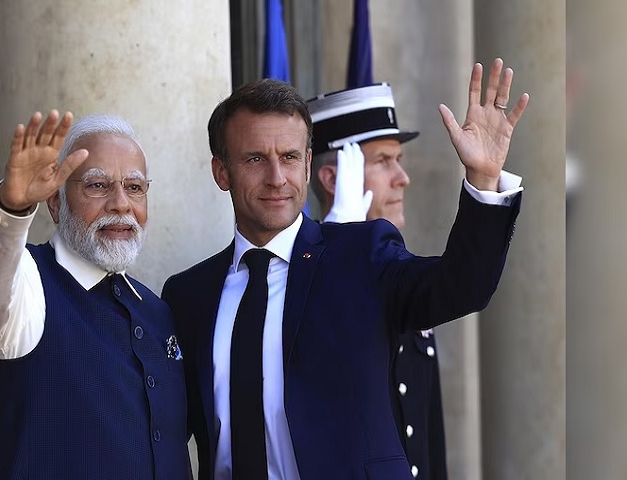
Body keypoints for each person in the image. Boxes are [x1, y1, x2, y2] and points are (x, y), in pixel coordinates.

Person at [162, 58, 527, 480]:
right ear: (221, 172)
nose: (277, 177)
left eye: (289, 156)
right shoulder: (187, 296)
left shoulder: (362, 257)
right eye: (256, 159)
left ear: (307, 163)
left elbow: (461, 287)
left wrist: (483, 180)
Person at [0, 110, 191, 479]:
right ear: (55, 202)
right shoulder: (26, 284)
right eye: (97, 186)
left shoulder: (157, 311)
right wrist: (12, 207)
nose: (120, 203)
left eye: (134, 187)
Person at [308, 83, 448, 480]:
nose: (402, 177)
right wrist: (342, 244)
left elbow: (427, 437)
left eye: (398, 159)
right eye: (384, 160)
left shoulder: (403, 273)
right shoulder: (301, 281)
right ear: (334, 179)